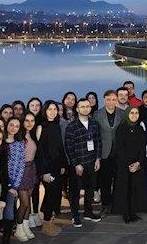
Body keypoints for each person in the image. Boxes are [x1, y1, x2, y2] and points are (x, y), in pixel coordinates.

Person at [64, 98, 102, 227]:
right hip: (78, 165)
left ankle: (88, 212)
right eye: (82, 107)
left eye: (87, 106)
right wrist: (76, 164)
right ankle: (75, 215)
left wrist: (98, 158)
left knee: (90, 190)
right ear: (77, 109)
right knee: (75, 192)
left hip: (92, 162)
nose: (85, 108)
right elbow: (69, 147)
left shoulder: (94, 124)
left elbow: (98, 142)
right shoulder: (71, 127)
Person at [36, 100, 67, 236]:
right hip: (46, 168)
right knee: (49, 194)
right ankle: (46, 224)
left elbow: (59, 147)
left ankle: (50, 221)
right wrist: (45, 172)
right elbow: (40, 151)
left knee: (55, 195)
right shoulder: (41, 127)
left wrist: (62, 164)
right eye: (50, 109)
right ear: (45, 111)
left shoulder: (57, 126)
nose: (53, 112)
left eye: (55, 109)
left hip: (56, 167)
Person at [93, 90, 125, 215]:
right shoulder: (97, 114)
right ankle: (105, 205)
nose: (111, 102)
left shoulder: (122, 114)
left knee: (118, 180)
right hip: (104, 153)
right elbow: (95, 135)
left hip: (118, 152)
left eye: (113, 99)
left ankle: (117, 205)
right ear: (104, 99)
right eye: (108, 99)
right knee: (105, 181)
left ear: (116, 100)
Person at [113, 107, 147, 223]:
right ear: (127, 114)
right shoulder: (121, 129)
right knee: (125, 189)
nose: (134, 115)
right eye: (132, 113)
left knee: (135, 189)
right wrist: (129, 164)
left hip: (137, 165)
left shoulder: (139, 129)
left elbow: (143, 147)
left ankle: (133, 211)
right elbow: (120, 148)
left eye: (136, 113)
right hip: (124, 165)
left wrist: (138, 163)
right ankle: (126, 213)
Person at [6, 116, 32, 242]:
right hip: (4, 182)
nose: (13, 128)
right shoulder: (1, 143)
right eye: (11, 125)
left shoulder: (20, 143)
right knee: (7, 211)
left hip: (17, 180)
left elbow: (21, 163)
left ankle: (19, 227)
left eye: (17, 126)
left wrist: (15, 184)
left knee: (22, 204)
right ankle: (11, 232)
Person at [16, 112, 39, 236]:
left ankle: (25, 226)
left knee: (28, 201)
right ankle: (19, 227)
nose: (30, 123)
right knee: (24, 202)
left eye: (32, 121)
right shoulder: (18, 137)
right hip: (21, 170)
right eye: (27, 121)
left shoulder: (32, 134)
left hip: (31, 168)